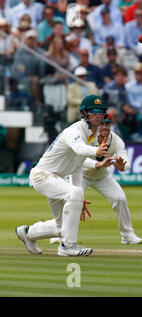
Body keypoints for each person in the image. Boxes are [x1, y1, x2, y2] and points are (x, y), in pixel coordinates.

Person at [15, 94, 110, 256]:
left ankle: (27, 233)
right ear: (84, 113)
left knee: (63, 226)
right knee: (75, 194)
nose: (98, 115)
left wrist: (78, 197)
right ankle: (67, 247)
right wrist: (96, 151)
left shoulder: (92, 135)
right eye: (93, 111)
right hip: (42, 175)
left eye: (101, 112)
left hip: (56, 178)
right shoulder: (74, 131)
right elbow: (80, 149)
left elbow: (77, 166)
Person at [50, 114, 142, 245]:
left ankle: (127, 235)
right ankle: (61, 233)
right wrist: (99, 164)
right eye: (102, 124)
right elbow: (80, 158)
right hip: (80, 175)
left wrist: (122, 166)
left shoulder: (116, 141)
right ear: (97, 124)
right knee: (71, 201)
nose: (104, 127)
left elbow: (126, 162)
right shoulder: (87, 138)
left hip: (102, 176)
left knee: (120, 199)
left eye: (107, 124)